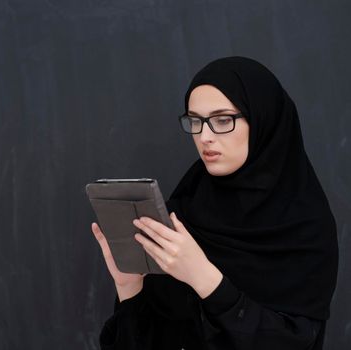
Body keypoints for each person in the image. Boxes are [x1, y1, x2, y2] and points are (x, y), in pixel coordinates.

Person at [90, 56, 339, 349]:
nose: (204, 136)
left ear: (262, 120)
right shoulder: (180, 215)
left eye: (223, 120)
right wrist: (129, 288)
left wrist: (206, 279)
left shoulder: (305, 228)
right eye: (195, 121)